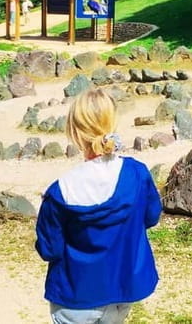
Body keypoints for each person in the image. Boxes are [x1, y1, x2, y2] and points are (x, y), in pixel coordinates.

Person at [35, 88, 162, 324]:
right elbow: (152, 216)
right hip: (122, 287)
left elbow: (49, 250)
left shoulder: (60, 191)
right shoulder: (137, 173)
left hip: (76, 295)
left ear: (74, 132)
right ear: (113, 123)